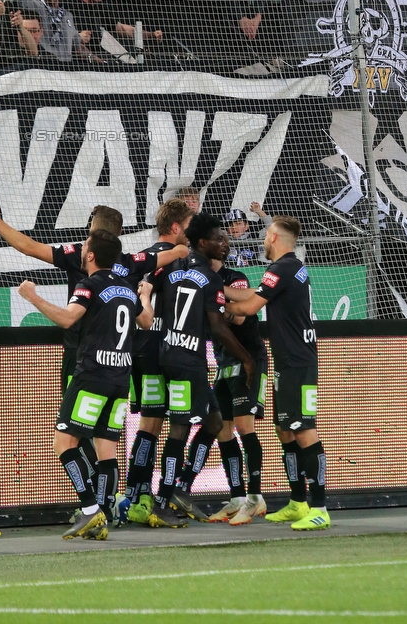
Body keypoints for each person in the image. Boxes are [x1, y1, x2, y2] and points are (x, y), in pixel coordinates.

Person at [18, 229, 154, 540]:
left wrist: (32, 296)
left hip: (92, 376)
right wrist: (145, 296)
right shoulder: (126, 287)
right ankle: (103, 516)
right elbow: (146, 321)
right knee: (107, 450)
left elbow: (68, 319)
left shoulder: (88, 285)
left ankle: (91, 511)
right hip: (121, 379)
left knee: (64, 443)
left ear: (90, 256)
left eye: (85, 248)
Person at [148, 212, 256, 529]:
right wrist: (247, 359)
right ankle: (162, 499)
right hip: (186, 362)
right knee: (179, 430)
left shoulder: (173, 269)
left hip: (171, 355)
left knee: (213, 421)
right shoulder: (209, 279)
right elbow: (219, 329)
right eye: (219, 239)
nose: (224, 243)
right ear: (202, 242)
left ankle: (180, 488)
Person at [223, 215, 329, 531]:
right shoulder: (288, 269)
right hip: (287, 362)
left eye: (265, 236)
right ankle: (298, 502)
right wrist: (221, 288)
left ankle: (320, 507)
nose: (263, 241)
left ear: (273, 236)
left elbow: (248, 308)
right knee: (285, 429)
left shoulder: (281, 268)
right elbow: (254, 293)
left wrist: (213, 304)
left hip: (298, 362)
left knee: (304, 429)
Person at [124, 198, 194, 526]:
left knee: (149, 424)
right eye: (190, 226)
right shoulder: (179, 261)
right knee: (160, 424)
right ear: (177, 228)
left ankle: (137, 496)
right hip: (159, 349)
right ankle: (149, 499)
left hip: (140, 349)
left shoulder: (146, 256)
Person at [209, 230, 268, 525]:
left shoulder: (236, 277)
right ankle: (236, 497)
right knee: (222, 428)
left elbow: (242, 317)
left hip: (249, 359)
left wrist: (215, 310)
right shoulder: (203, 280)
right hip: (223, 361)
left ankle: (255, 498)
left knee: (246, 428)